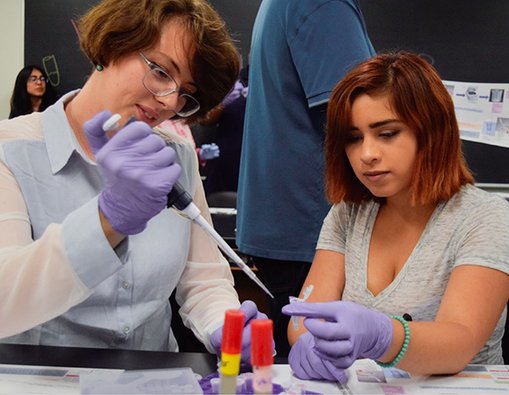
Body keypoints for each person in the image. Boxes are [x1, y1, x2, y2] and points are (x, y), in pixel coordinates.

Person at [0, 0, 268, 362]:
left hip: (154, 379)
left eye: (187, 95)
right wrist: (107, 220)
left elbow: (204, 281)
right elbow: (5, 299)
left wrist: (224, 324)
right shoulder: (10, 150)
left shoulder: (177, 158)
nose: (170, 101)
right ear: (112, 44)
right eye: (160, 71)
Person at [282, 51, 509, 382]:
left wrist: (383, 336)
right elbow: (304, 317)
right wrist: (307, 344)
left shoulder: (486, 217)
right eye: (353, 138)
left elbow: (460, 343)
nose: (367, 154)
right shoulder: (346, 216)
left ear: (431, 132)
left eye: (386, 133)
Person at [236, 0, 375, 356]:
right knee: (321, 360)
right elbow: (361, 116)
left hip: (288, 221)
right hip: (315, 228)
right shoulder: (321, 3)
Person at [201, 64, 248, 195]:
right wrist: (223, 102)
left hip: (258, 161)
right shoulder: (235, 80)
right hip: (226, 161)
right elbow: (205, 120)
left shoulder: (273, 80)